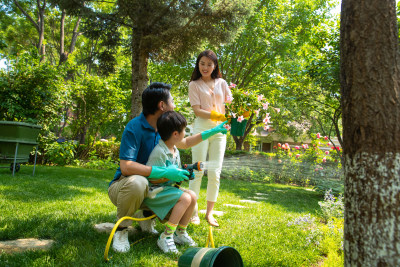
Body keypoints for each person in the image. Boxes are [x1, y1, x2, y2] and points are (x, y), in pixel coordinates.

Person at [108, 82, 227, 253]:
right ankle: (121, 230)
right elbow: (126, 167)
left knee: (189, 199)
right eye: (172, 100)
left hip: (154, 187)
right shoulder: (134, 127)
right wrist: (164, 172)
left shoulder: (164, 128)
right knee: (139, 182)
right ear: (162, 105)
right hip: (124, 186)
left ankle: (151, 220)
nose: (175, 104)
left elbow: (184, 142)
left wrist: (213, 131)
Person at [188, 50, 232, 227]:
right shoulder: (194, 84)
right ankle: (193, 212)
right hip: (201, 129)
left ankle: (209, 213)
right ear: (198, 64)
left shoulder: (222, 83)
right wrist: (217, 115)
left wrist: (237, 112)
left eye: (209, 64)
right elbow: (197, 110)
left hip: (219, 132)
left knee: (215, 172)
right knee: (197, 170)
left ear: (215, 66)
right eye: (202, 63)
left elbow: (231, 104)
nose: (205, 67)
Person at [144, 111, 197, 254]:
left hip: (165, 190)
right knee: (185, 197)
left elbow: (174, 174)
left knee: (192, 195)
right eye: (184, 130)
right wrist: (171, 177)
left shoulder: (175, 150)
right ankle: (166, 236)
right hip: (154, 192)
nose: (185, 133)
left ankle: (180, 233)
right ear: (175, 134)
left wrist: (181, 175)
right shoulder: (159, 152)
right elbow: (151, 179)